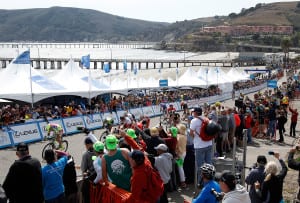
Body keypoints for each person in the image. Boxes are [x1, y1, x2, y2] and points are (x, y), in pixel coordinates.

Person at [190, 107, 213, 186]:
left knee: (200, 165)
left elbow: (191, 132)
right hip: (209, 143)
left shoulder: (194, 121)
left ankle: (201, 182)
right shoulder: (206, 119)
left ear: (195, 113)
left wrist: (195, 139)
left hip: (199, 146)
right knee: (209, 163)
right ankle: (210, 180)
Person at [81, 137, 96, 203]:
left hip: (91, 179)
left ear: (88, 145)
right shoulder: (99, 151)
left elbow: (83, 169)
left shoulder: (86, 154)